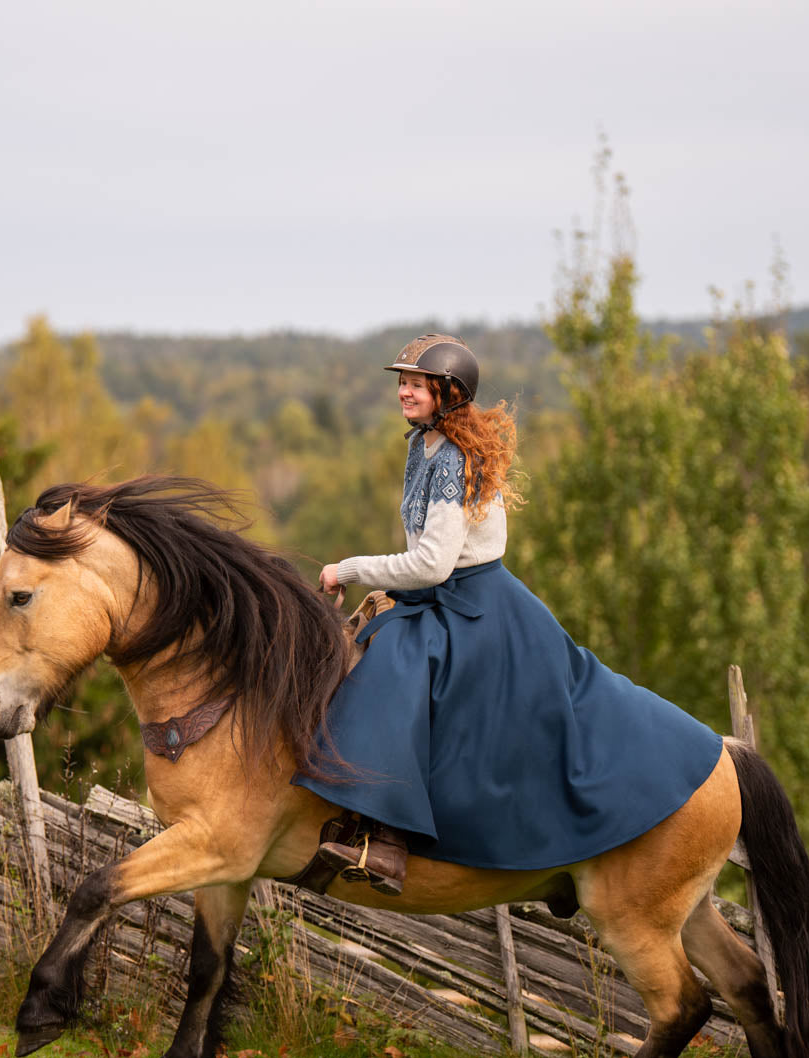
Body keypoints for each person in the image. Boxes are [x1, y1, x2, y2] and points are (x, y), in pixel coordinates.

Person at [292, 334, 723, 898]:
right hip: (445, 595)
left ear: (447, 392)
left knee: (395, 669)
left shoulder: (450, 459)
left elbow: (432, 561)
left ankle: (389, 843)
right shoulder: (422, 446)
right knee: (381, 642)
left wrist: (349, 568)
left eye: (415, 385)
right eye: (401, 382)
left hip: (474, 602)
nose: (403, 391)